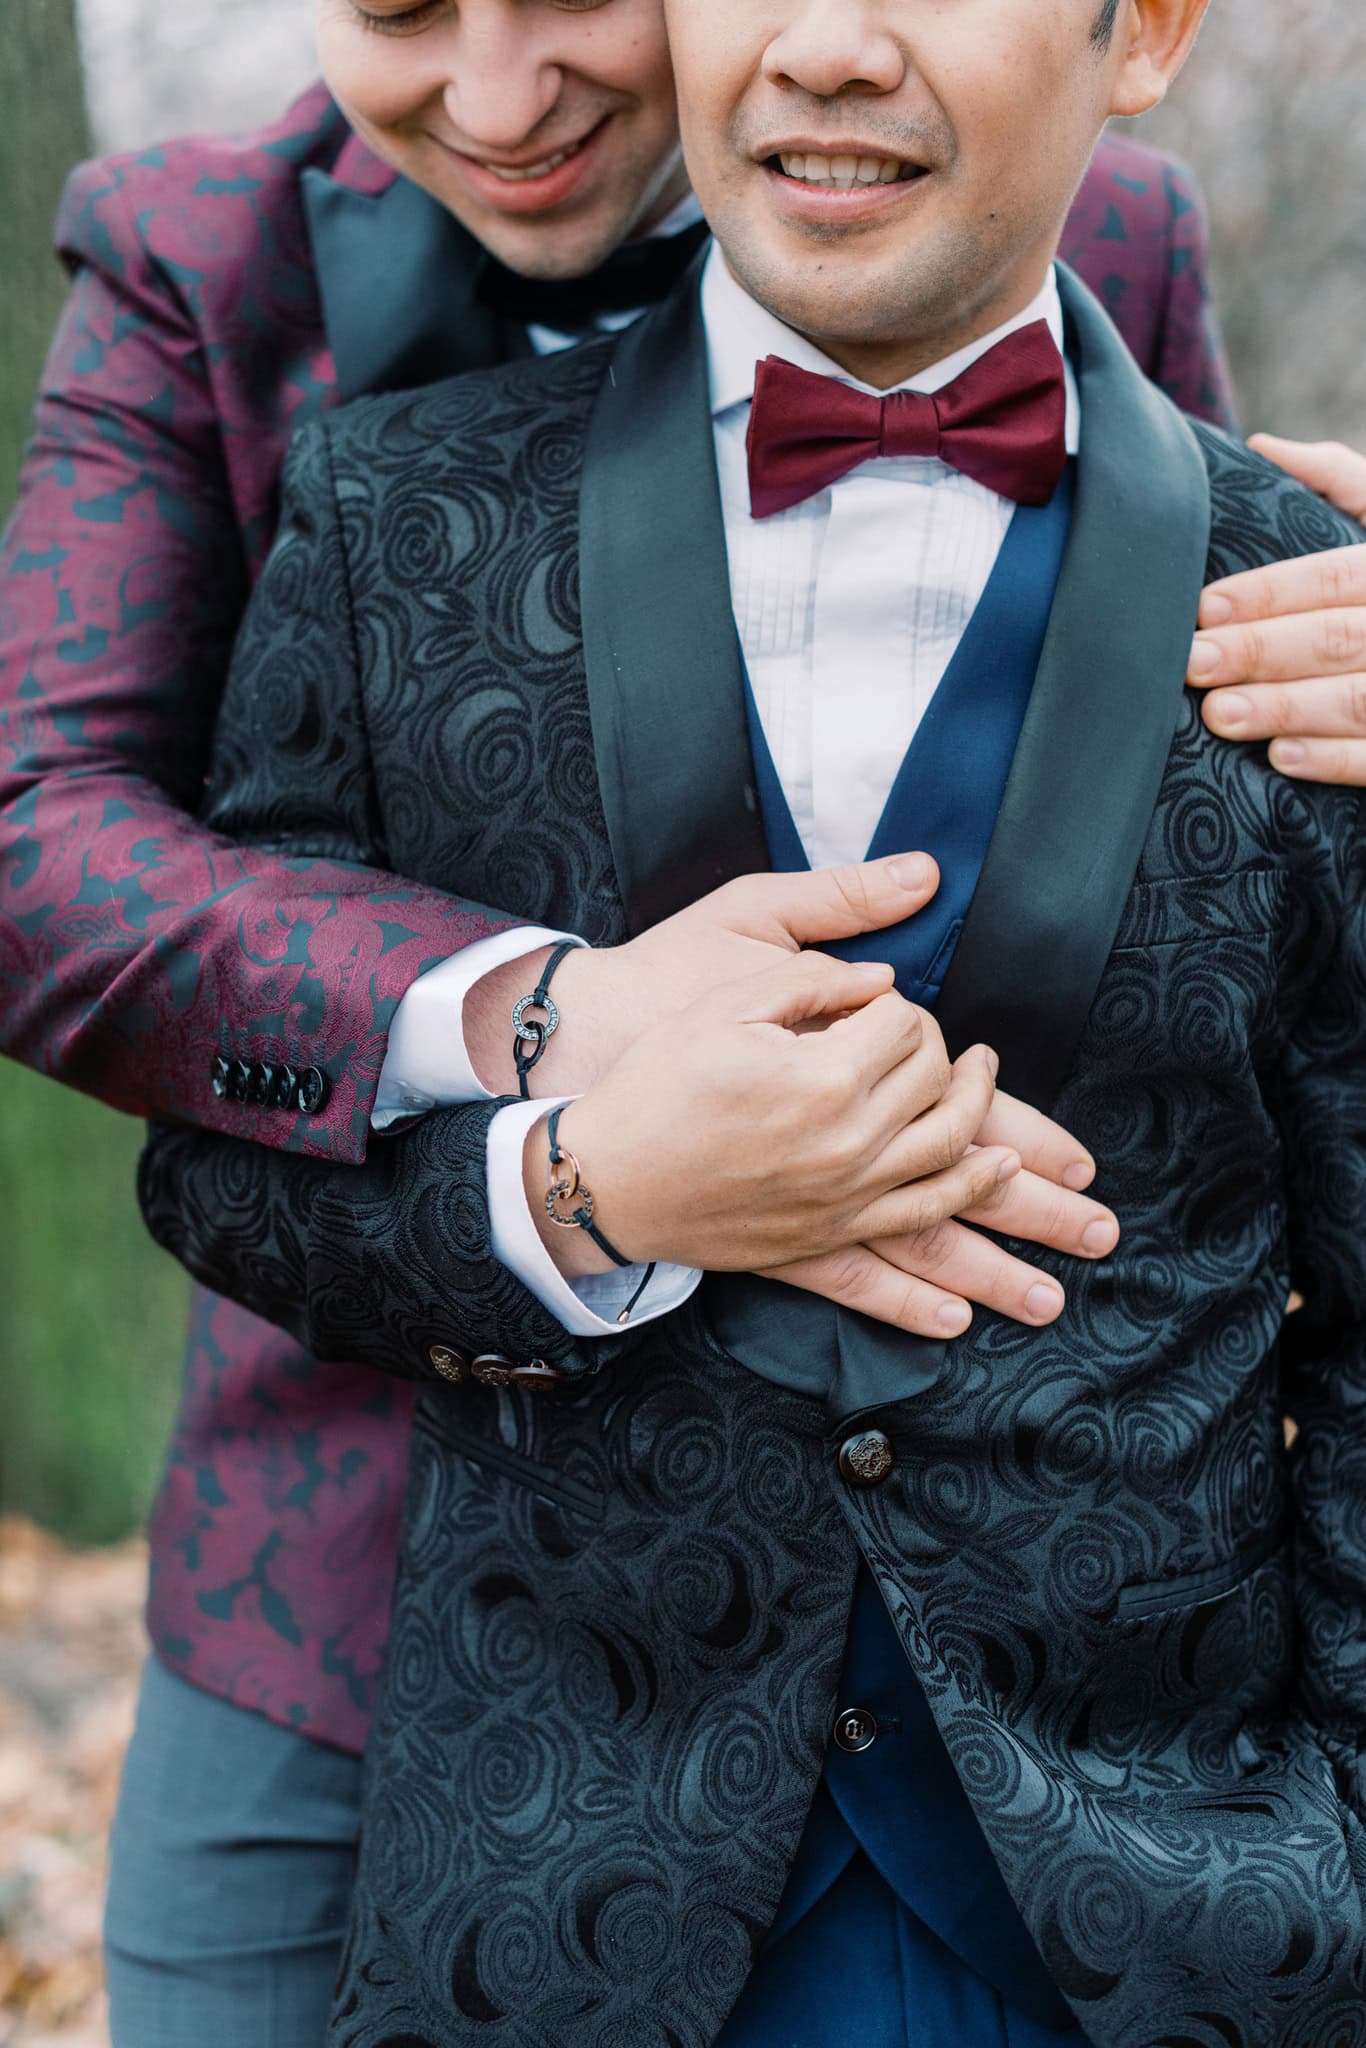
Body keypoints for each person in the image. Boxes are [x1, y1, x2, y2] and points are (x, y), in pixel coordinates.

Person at [0, 7, 1264, 2041]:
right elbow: (37, 851)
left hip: (977, 1601)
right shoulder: (198, 256)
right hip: (343, 1515)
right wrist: (544, 1027)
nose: (494, 105)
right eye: (408, 9)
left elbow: (1203, 843)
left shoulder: (1067, 205)